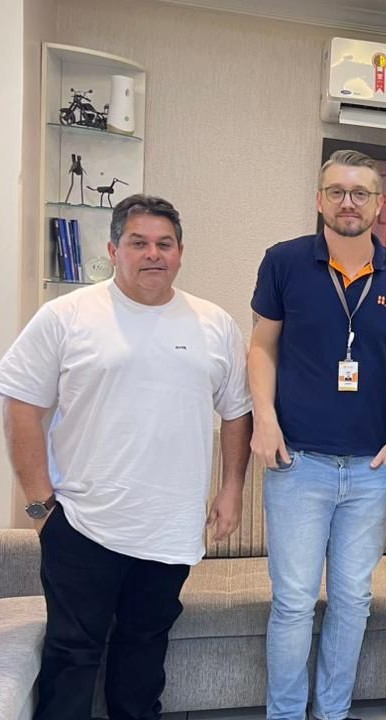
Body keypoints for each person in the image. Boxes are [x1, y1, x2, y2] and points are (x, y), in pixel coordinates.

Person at [0, 194, 253, 720]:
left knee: (143, 655)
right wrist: (40, 506)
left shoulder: (213, 323)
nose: (153, 254)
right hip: (81, 524)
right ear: (114, 250)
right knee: (72, 656)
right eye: (139, 243)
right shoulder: (67, 315)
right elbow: (22, 405)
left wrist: (231, 490)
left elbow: (236, 412)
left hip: (170, 529)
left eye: (165, 244)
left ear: (180, 253)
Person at [248, 149, 386, 720]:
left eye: (360, 193)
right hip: (297, 464)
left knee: (352, 601)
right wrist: (265, 419)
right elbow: (261, 346)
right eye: (337, 192)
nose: (349, 202)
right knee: (294, 602)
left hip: (371, 471)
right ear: (320, 199)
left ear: (379, 204)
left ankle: (332, 713)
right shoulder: (284, 261)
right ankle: (284, 714)